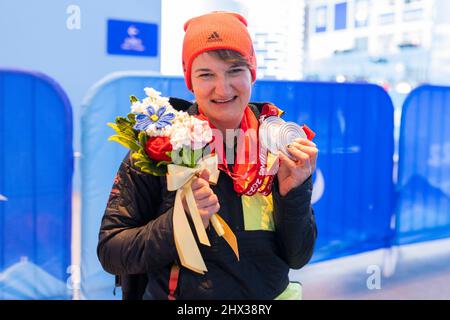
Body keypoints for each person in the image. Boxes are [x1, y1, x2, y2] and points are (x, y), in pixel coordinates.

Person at [97, 11, 318, 300]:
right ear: (190, 81)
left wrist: (294, 195)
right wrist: (180, 223)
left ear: (252, 73)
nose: (222, 88)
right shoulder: (159, 144)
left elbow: (298, 256)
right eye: (206, 74)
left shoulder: (277, 146)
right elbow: (112, 250)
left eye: (235, 70)